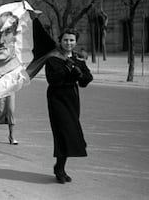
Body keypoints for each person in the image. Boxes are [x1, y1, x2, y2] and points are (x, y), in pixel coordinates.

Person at [45, 28, 93, 184]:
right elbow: (52, 79)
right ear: (60, 41)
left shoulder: (79, 59)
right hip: (57, 99)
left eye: (72, 40)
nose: (68, 43)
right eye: (65, 40)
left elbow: (86, 80)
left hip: (72, 99)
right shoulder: (53, 58)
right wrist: (66, 68)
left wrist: (80, 74)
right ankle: (59, 169)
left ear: (76, 42)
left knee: (70, 133)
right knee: (62, 132)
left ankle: (60, 167)